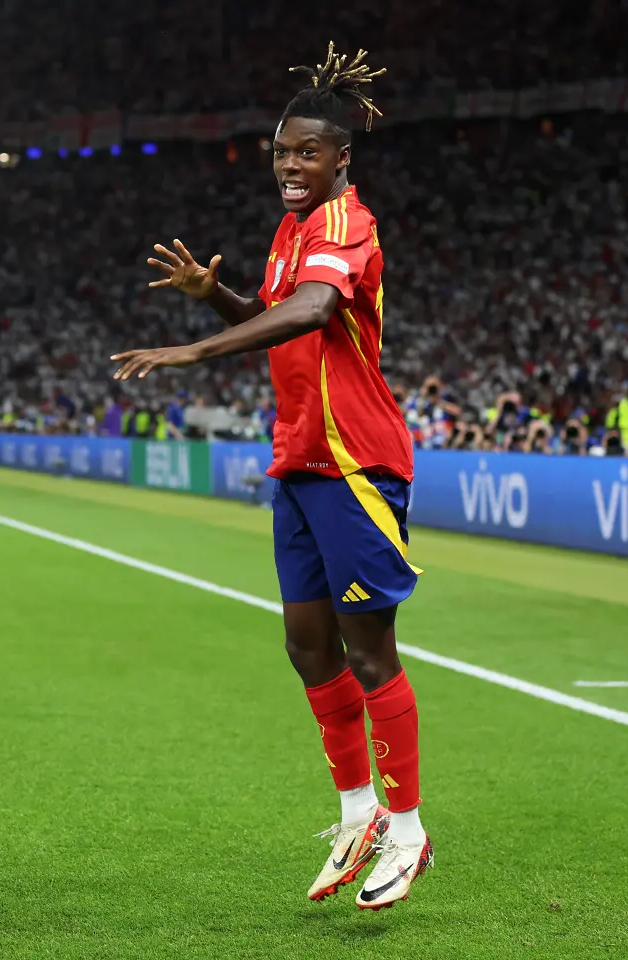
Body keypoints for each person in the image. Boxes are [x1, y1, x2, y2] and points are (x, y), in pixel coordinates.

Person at [111, 43, 430, 910]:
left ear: (342, 159)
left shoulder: (346, 224)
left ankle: (407, 831)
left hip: (355, 460)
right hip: (299, 459)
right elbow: (273, 314)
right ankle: (358, 813)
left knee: (369, 651)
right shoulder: (293, 230)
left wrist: (196, 349)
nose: (290, 166)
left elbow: (316, 309)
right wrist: (212, 298)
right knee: (307, 647)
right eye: (282, 153)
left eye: (307, 153)